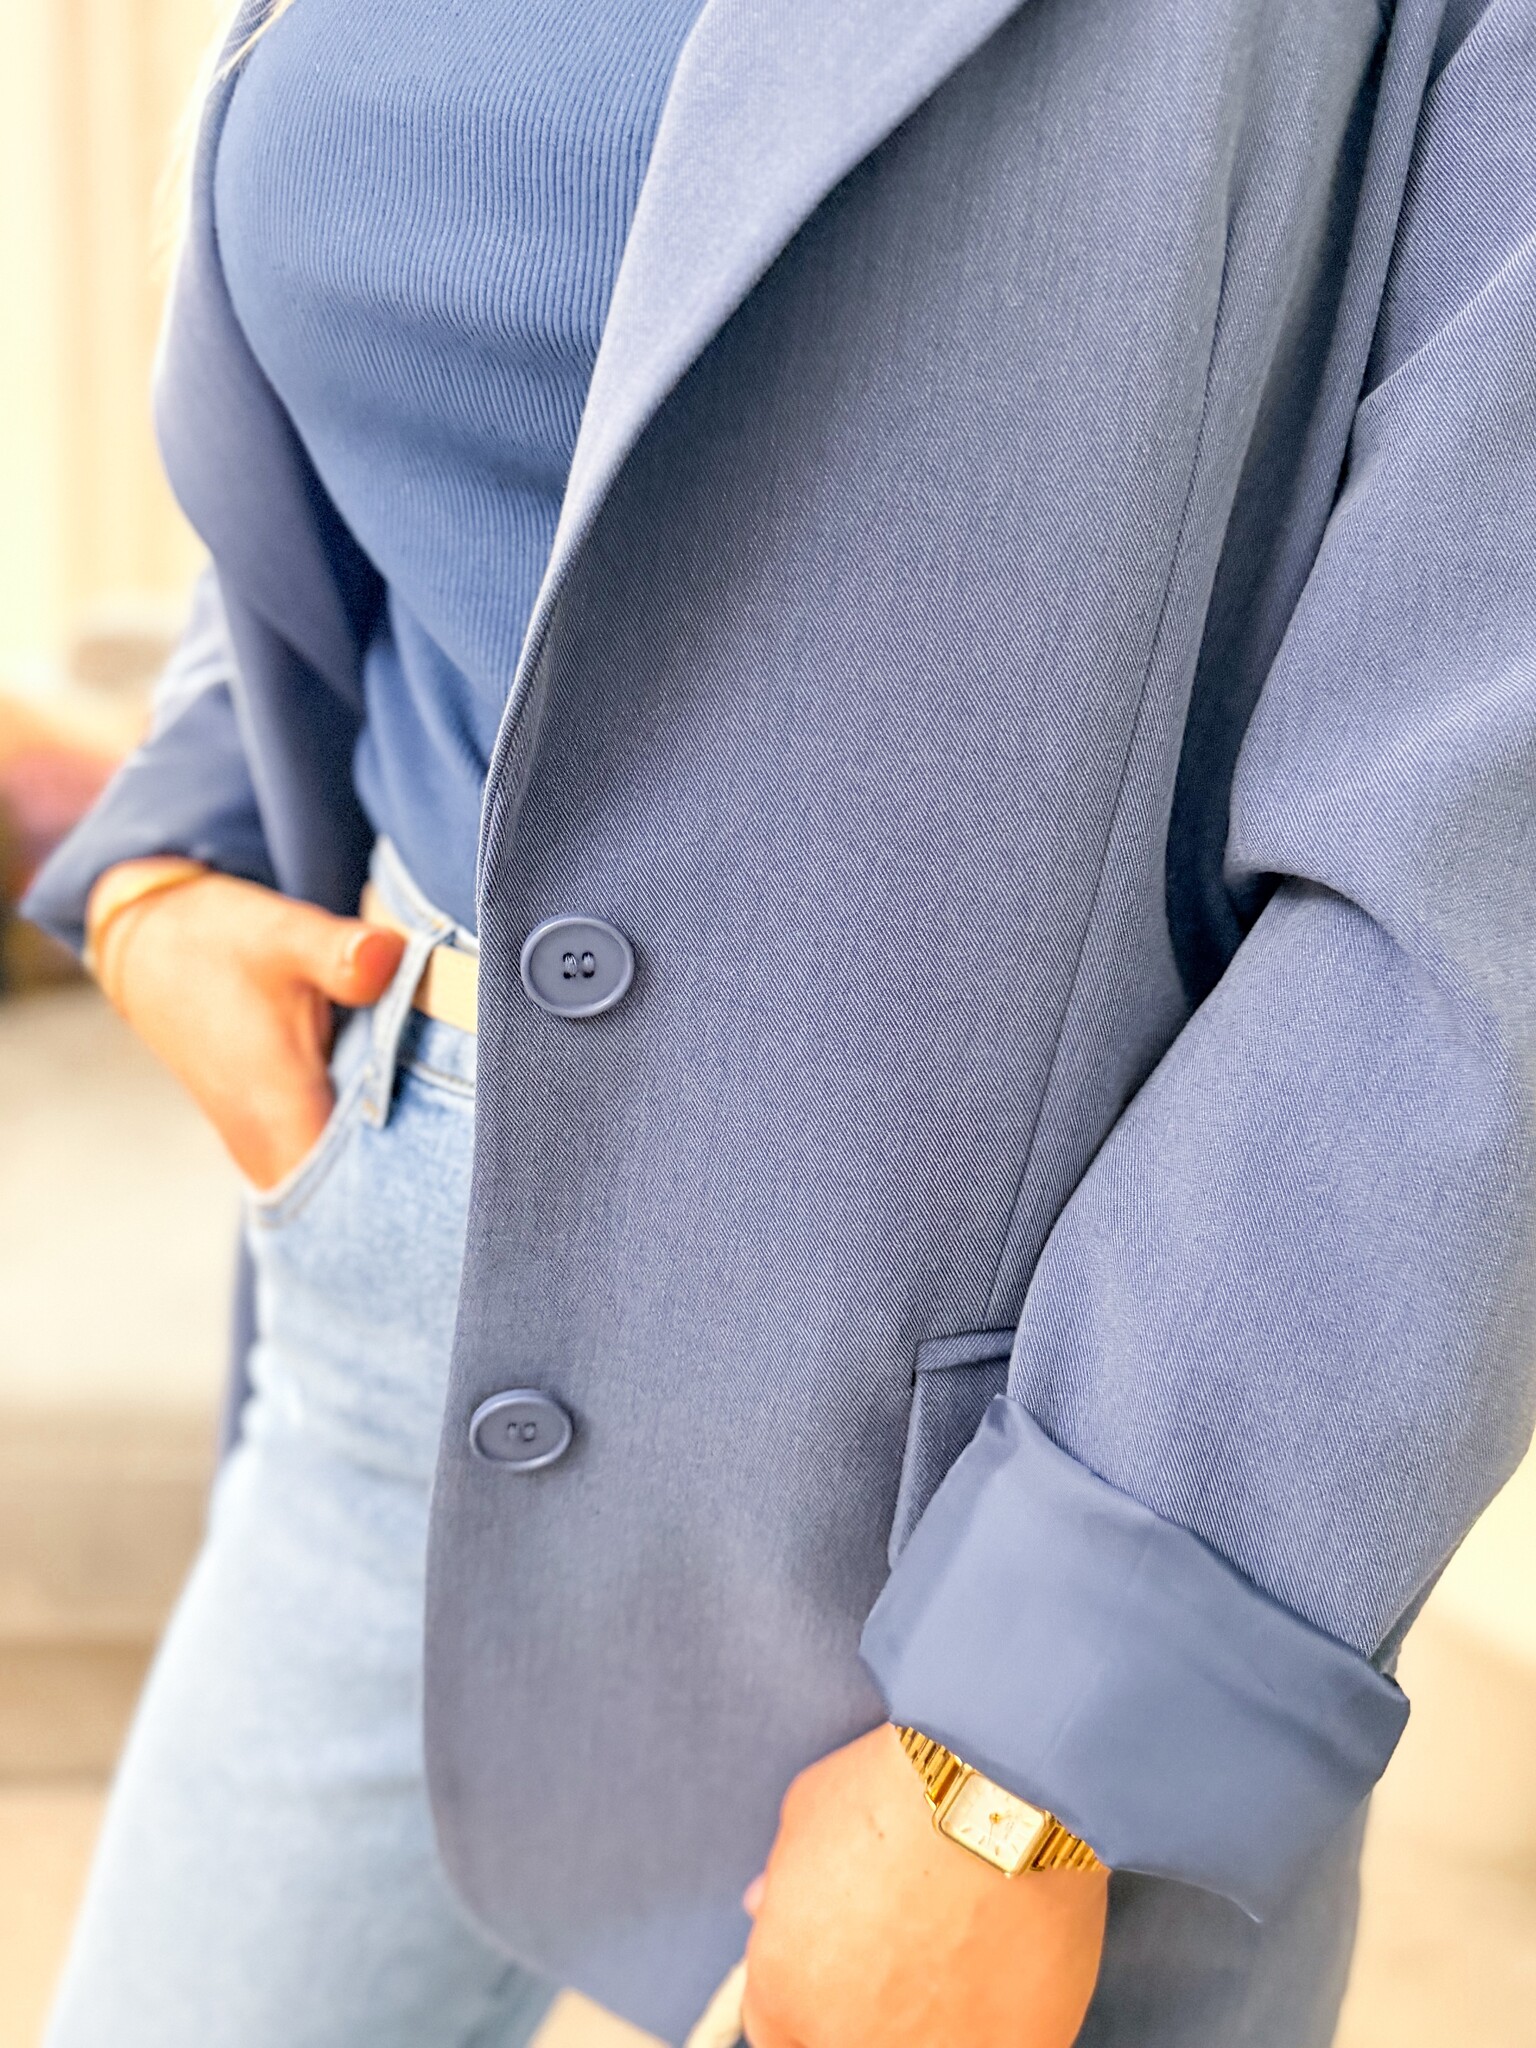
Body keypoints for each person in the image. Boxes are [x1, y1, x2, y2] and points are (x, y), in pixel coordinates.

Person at [24, 0, 1536, 2042]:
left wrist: (1035, 1747)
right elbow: (412, 376)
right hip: (396, 1294)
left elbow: (1481, 857)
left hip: (999, 1478)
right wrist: (169, 842)